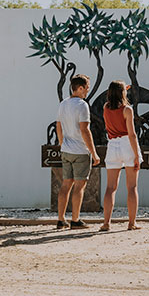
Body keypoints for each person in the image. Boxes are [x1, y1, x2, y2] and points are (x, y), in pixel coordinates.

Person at [55, 74, 100, 229]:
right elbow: (85, 130)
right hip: (80, 151)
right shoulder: (82, 105)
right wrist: (93, 153)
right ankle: (75, 219)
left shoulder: (63, 104)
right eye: (86, 87)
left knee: (65, 184)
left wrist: (62, 144)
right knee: (79, 186)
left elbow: (58, 126)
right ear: (80, 88)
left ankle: (61, 219)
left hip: (66, 150)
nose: (87, 90)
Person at [99, 80, 143, 231]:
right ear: (123, 92)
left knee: (110, 187)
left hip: (112, 145)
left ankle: (106, 223)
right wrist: (137, 155)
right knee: (132, 187)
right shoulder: (127, 110)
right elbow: (132, 135)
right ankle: (131, 223)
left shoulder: (105, 108)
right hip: (126, 145)